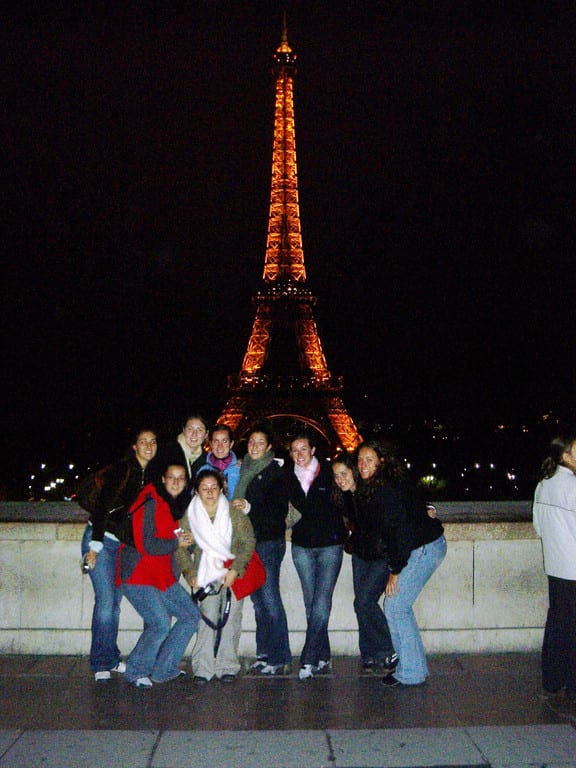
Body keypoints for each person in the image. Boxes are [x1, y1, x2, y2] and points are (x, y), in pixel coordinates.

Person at [80, 428, 158, 681]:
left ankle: (110, 657)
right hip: (102, 542)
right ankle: (101, 661)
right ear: (134, 446)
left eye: (152, 442)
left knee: (113, 604)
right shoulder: (124, 469)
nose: (148, 445)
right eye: (143, 442)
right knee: (105, 603)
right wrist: (95, 547)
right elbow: (102, 507)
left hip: (124, 548)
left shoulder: (152, 475)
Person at [118, 464, 200, 688]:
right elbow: (147, 544)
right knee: (160, 623)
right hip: (139, 574)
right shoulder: (150, 501)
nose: (176, 482)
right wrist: (177, 542)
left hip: (162, 575)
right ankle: (136, 670)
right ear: (163, 479)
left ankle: (164, 669)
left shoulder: (175, 506)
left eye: (181, 478)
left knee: (191, 615)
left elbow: (178, 543)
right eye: (171, 477)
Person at [374, 441, 447, 688]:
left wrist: (395, 571)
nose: (363, 464)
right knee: (397, 606)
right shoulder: (390, 484)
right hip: (424, 545)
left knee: (395, 606)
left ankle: (412, 671)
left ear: (382, 461)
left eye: (369, 459)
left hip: (423, 547)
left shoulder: (387, 489)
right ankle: (411, 668)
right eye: (360, 461)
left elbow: (400, 532)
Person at [179, 469, 255, 684]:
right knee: (207, 618)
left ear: (221, 489)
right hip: (205, 572)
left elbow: (248, 542)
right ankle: (203, 667)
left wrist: (236, 569)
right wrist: (190, 573)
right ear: (196, 491)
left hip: (232, 570)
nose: (210, 492)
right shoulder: (189, 516)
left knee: (232, 619)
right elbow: (181, 548)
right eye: (205, 488)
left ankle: (227, 664)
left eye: (214, 488)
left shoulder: (234, 514)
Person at [231, 422, 292, 676]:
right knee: (258, 600)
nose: (254, 446)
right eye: (251, 442)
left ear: (269, 447)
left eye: (260, 442)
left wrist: (249, 508)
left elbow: (278, 512)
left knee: (268, 598)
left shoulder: (275, 473)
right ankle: (265, 652)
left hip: (267, 542)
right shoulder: (243, 468)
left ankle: (280, 656)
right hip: (248, 543)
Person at [285, 432, 345, 679]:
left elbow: (354, 494)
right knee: (312, 604)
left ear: (313, 450)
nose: (299, 454)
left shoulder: (331, 473)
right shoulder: (286, 478)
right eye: (294, 450)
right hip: (302, 547)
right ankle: (323, 656)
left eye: (303, 449)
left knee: (321, 602)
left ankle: (308, 658)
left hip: (330, 546)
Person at [533, 435, 576, 702]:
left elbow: (538, 526)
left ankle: (552, 679)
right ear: (565, 456)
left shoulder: (543, 484)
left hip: (556, 565)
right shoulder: (573, 486)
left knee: (558, 622)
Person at [148, 414, 209, 490]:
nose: (194, 434)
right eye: (190, 429)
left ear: (206, 434)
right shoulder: (166, 451)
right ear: (183, 430)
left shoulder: (207, 460)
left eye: (199, 430)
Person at [196, 424, 241, 500]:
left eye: (224, 441)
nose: (220, 446)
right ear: (210, 444)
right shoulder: (202, 470)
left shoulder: (241, 469)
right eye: (216, 441)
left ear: (231, 444)